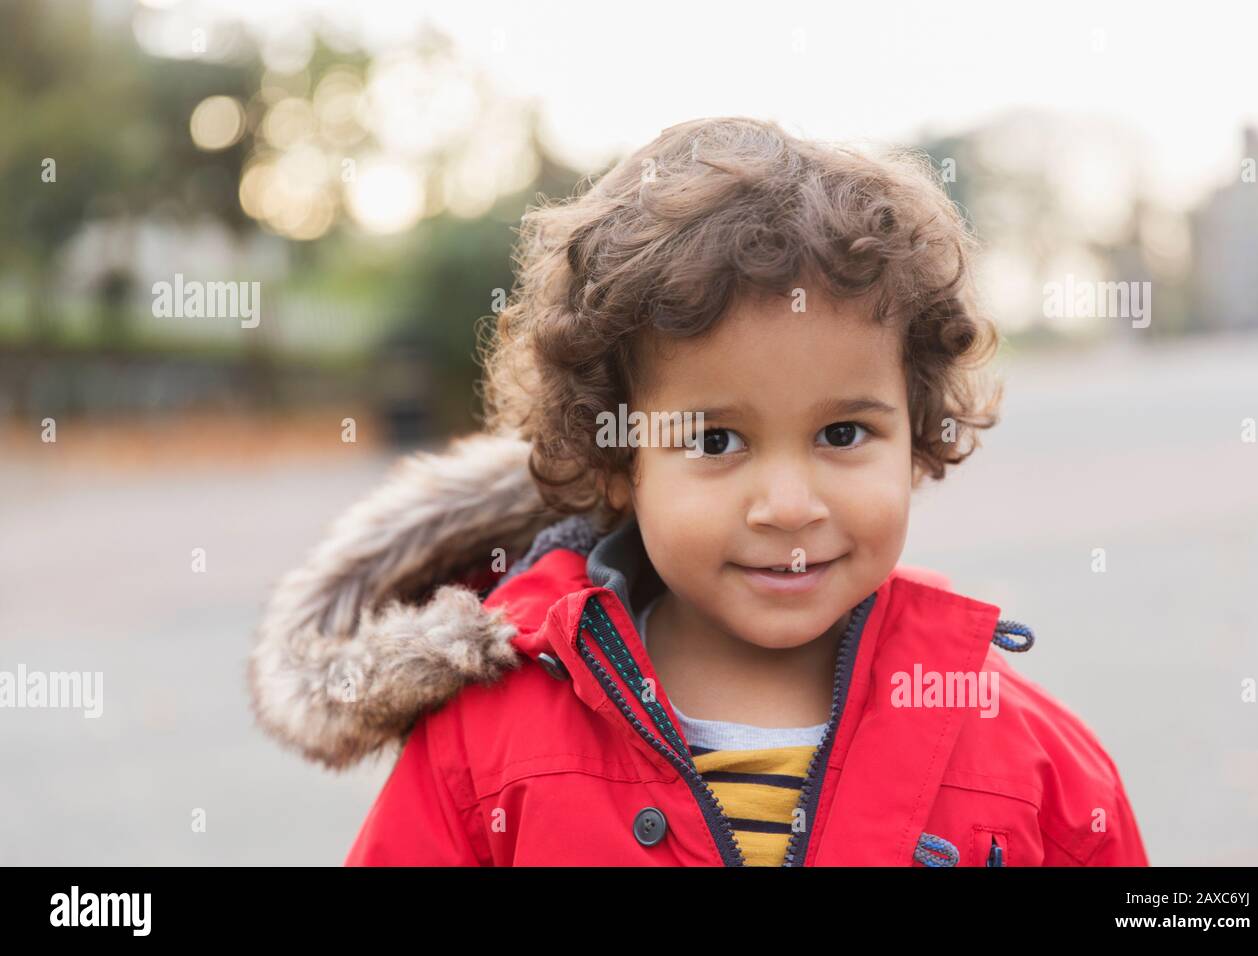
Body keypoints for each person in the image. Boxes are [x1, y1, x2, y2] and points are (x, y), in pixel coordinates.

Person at [247, 116, 1148, 866]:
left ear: (918, 434)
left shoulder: (1031, 761)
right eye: (716, 440)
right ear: (614, 461)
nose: (789, 505)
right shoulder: (484, 751)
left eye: (843, 434)